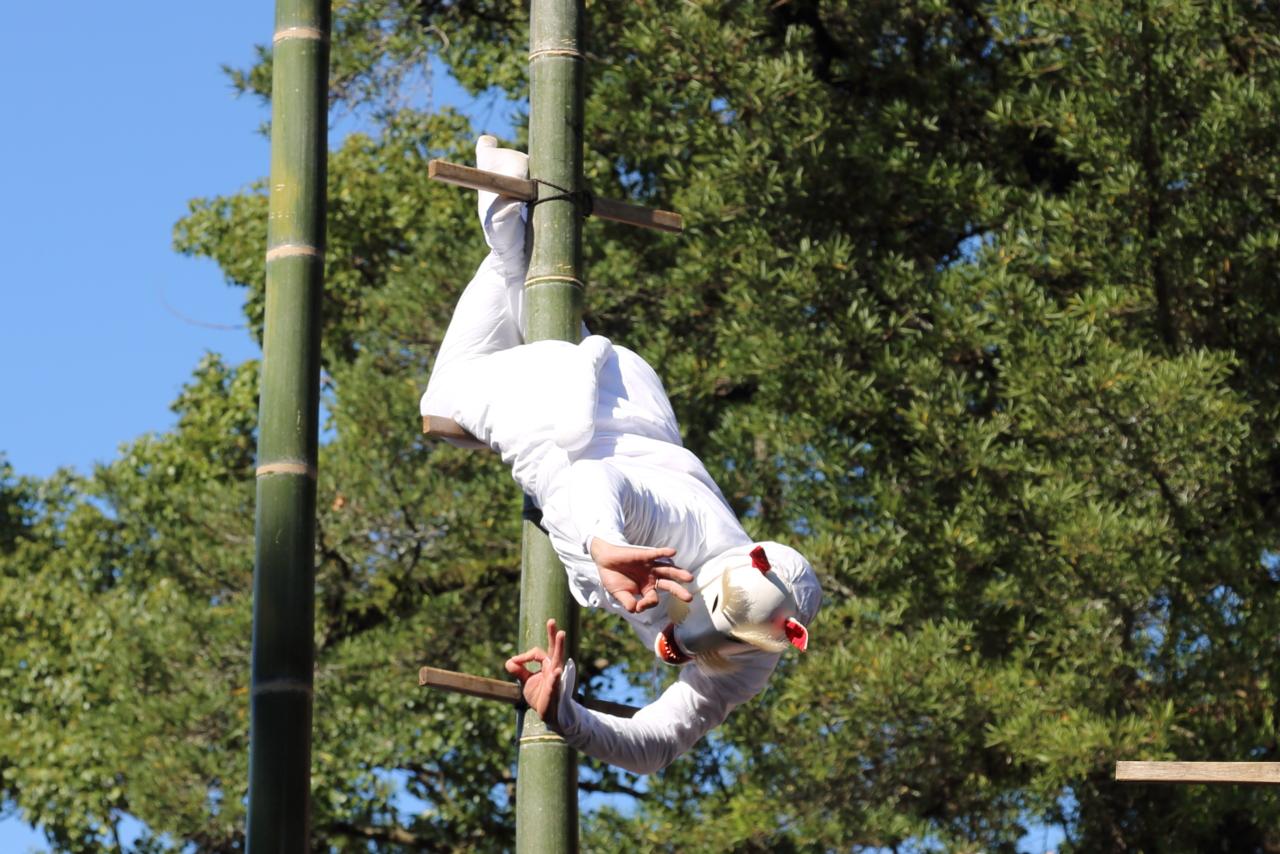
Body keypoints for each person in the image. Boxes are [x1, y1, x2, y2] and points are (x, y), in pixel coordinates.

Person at [422, 136, 822, 774]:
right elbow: (596, 481)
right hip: (558, 420)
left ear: (785, 638)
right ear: (736, 561)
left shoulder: (751, 661)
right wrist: (604, 544)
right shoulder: (684, 529)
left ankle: (510, 216)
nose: (693, 647)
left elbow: (656, 746)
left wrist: (564, 714)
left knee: (529, 311)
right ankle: (502, 213)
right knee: (442, 405)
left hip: (630, 394)